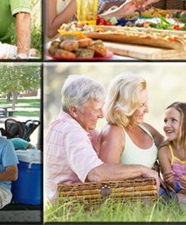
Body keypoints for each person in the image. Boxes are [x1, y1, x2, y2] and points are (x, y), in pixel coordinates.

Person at [45, 75, 160, 204]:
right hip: (74, 204)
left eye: (102, 108)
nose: (102, 115)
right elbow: (96, 175)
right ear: (74, 110)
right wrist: (142, 169)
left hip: (72, 200)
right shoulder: (71, 131)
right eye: (96, 110)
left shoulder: (65, 125)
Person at [99, 73, 164, 169]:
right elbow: (106, 176)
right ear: (125, 106)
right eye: (141, 105)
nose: (147, 110)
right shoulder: (114, 132)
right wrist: (143, 171)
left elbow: (171, 148)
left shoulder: (144, 127)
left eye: (147, 102)